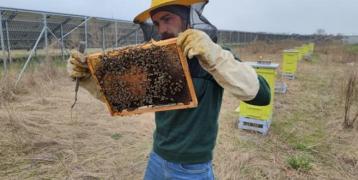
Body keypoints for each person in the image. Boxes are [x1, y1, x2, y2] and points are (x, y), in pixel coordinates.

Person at [67, 0, 271, 179]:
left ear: (186, 19)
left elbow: (262, 96)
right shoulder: (157, 63)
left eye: (167, 19)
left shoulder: (212, 57)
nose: (161, 28)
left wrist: (216, 58)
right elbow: (123, 96)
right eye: (157, 23)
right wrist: (87, 77)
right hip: (157, 157)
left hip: (192, 168)